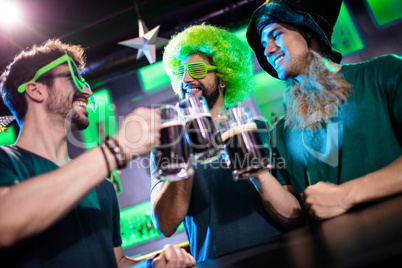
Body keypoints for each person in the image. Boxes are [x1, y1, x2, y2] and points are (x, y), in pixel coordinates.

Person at [0, 39, 196, 268]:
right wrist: (116, 149)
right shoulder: (6, 161)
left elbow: (116, 261)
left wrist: (152, 266)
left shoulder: (101, 185)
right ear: (36, 90)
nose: (87, 90)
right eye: (72, 77)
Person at [150, 24, 303, 262]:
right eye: (180, 71)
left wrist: (258, 173)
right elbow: (165, 225)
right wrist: (185, 155)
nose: (186, 78)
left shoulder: (260, 130)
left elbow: (292, 217)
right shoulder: (170, 144)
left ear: (222, 78)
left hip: (280, 257)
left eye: (197, 69)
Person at [246, 0, 402, 220]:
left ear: (309, 32)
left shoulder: (384, 73)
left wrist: (347, 194)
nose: (268, 49)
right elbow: (293, 217)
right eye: (263, 44)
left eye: (276, 34)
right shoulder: (280, 132)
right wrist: (258, 174)